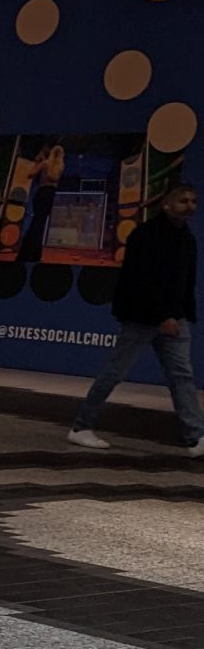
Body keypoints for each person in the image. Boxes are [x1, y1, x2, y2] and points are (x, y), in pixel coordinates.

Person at [69, 182, 203, 455]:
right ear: (166, 205)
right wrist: (162, 315)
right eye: (183, 201)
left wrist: (183, 313)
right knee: (115, 372)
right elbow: (141, 279)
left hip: (175, 319)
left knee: (182, 377)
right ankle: (81, 427)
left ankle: (196, 437)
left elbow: (185, 281)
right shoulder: (146, 235)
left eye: (193, 201)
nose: (190, 206)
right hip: (142, 317)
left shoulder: (187, 238)